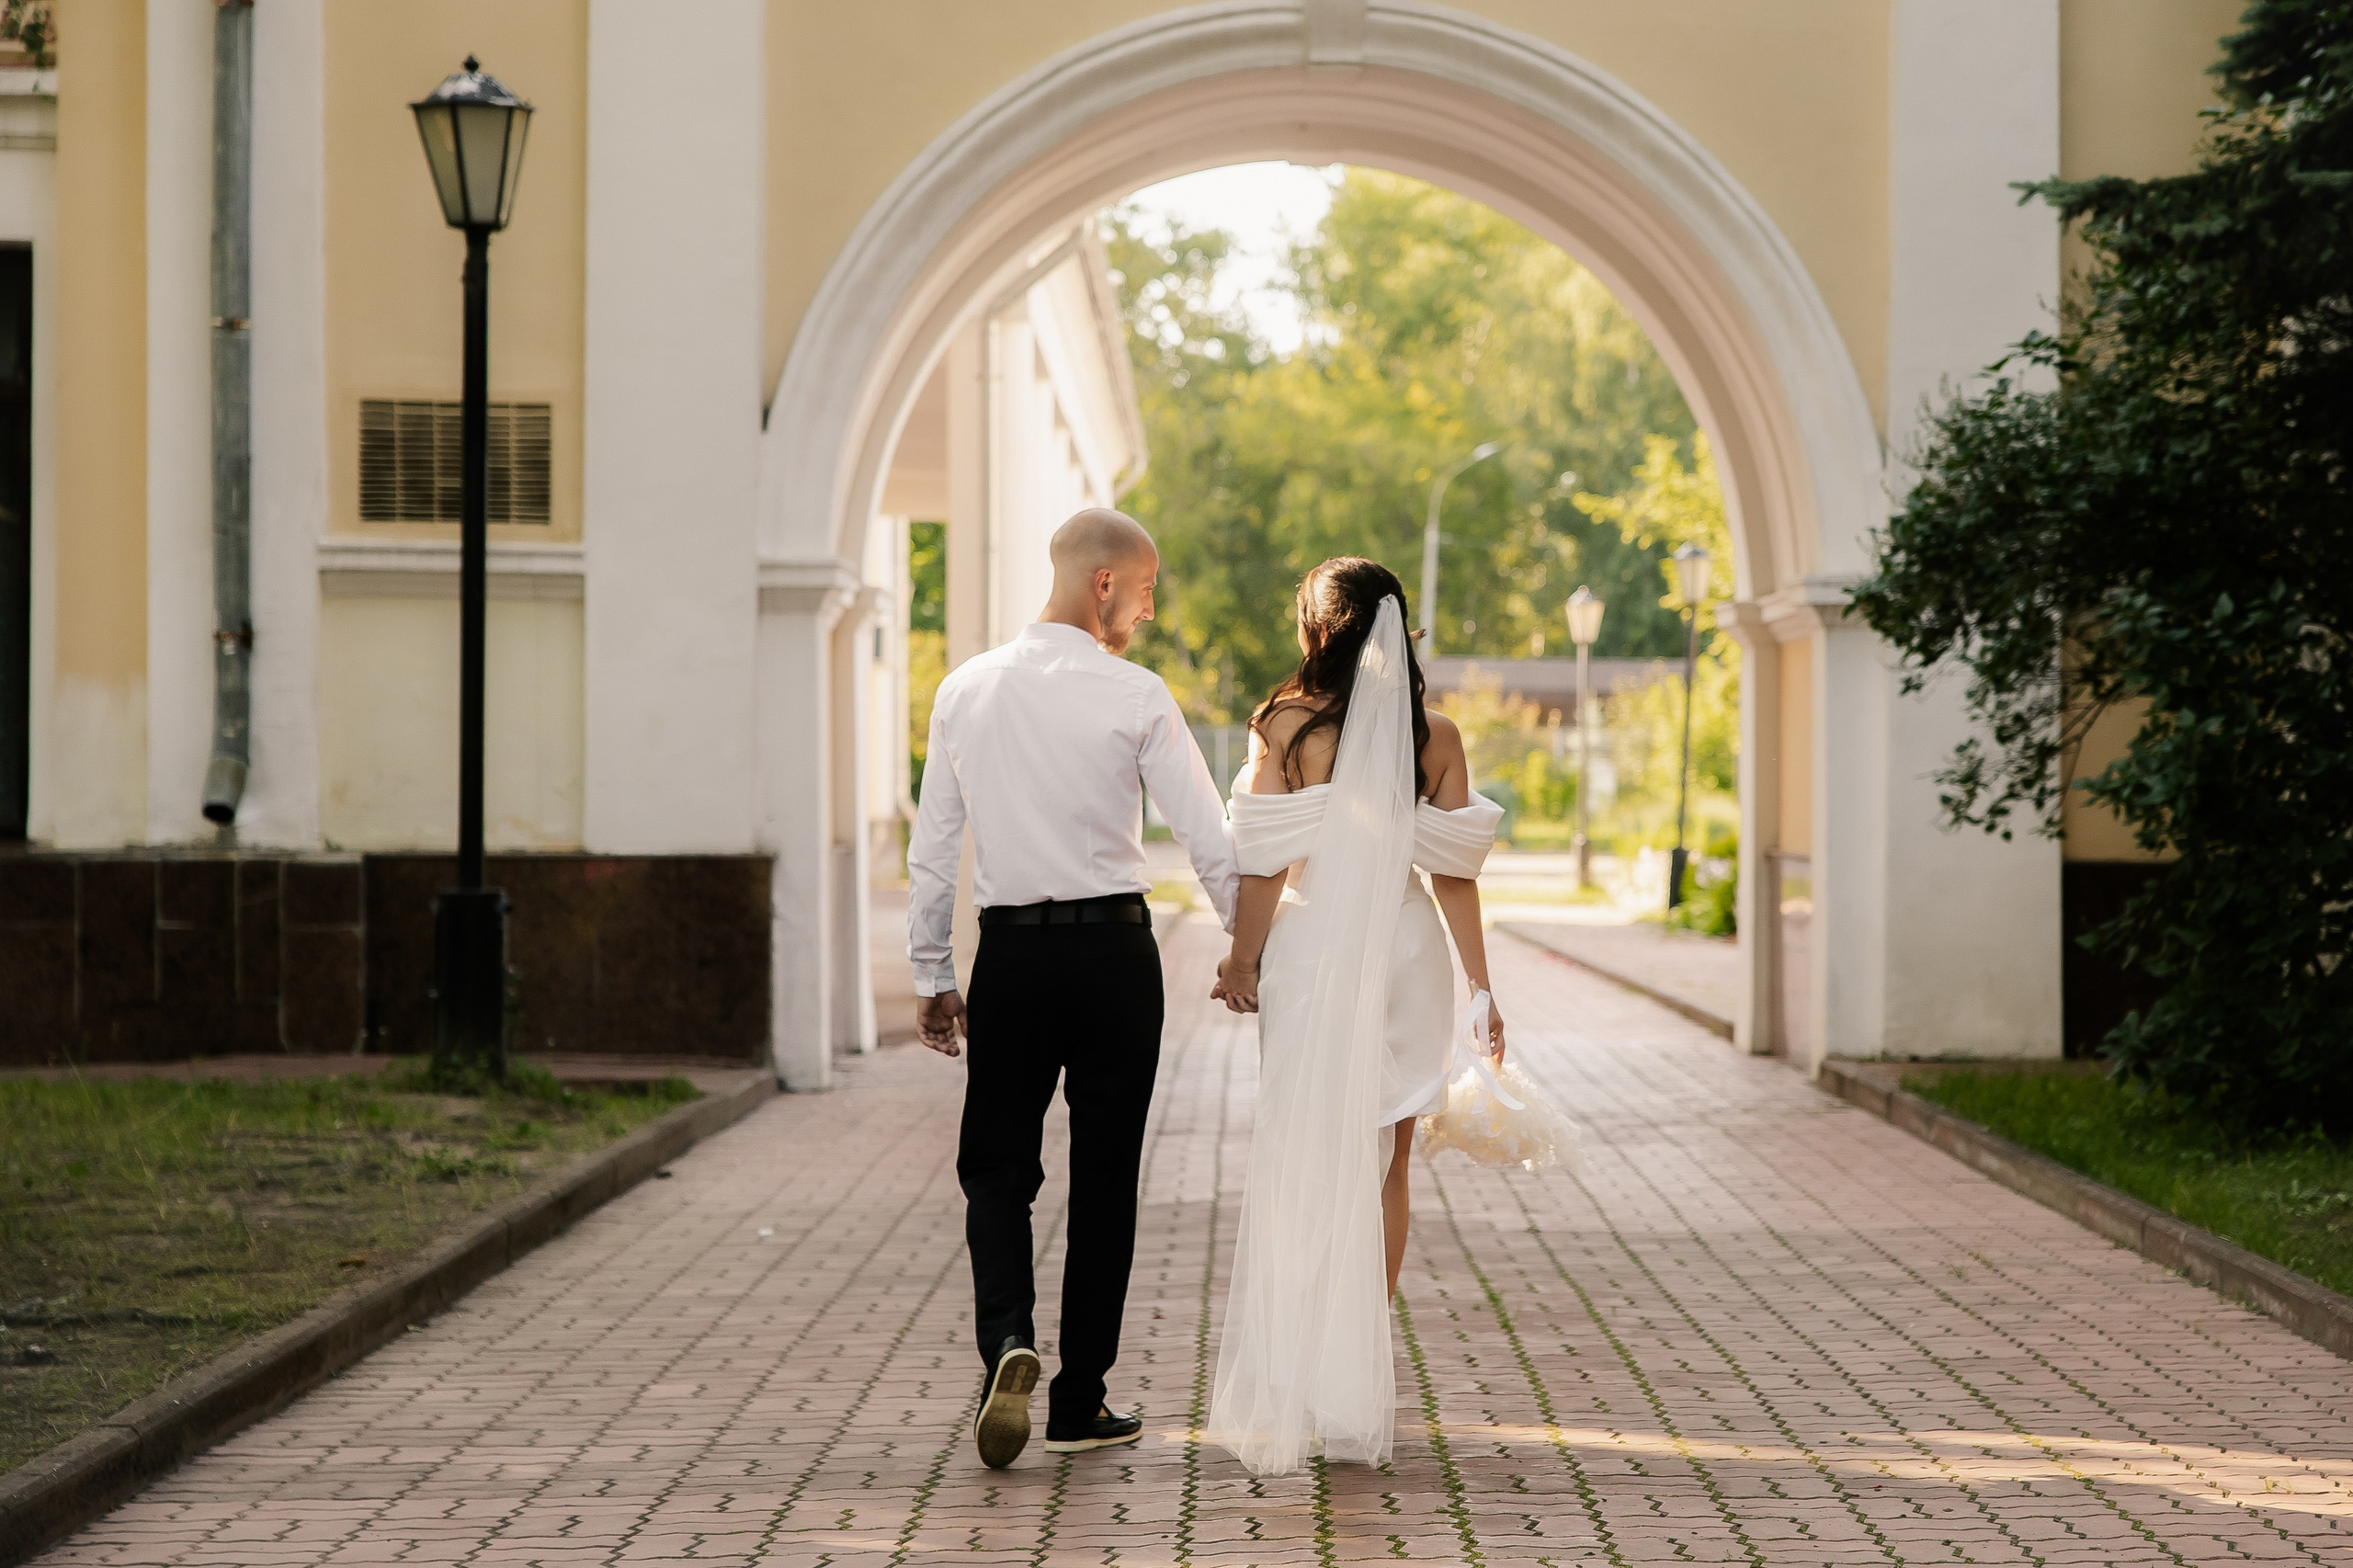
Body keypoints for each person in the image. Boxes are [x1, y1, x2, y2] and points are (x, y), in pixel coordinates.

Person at [907, 507, 1241, 1471]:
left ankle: (1006, 1335)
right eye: (1144, 588)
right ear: (1105, 583)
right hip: (1113, 958)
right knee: (1105, 1176)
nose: (1145, 607)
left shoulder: (965, 688)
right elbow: (1206, 835)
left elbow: (935, 848)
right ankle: (1079, 1396)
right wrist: (1248, 950)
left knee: (996, 1167)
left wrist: (934, 971)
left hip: (1011, 955)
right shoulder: (1135, 692)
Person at [1204, 557, 1505, 1477]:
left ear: (1317, 628)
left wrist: (1241, 957)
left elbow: (1260, 860)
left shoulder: (1283, 723)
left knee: (1304, 1149)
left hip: (1313, 946)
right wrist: (1482, 986)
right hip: (1403, 947)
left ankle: (1299, 1371)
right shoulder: (1436, 734)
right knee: (1388, 1160)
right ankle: (1352, 1381)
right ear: (1396, 628)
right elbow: (1452, 867)